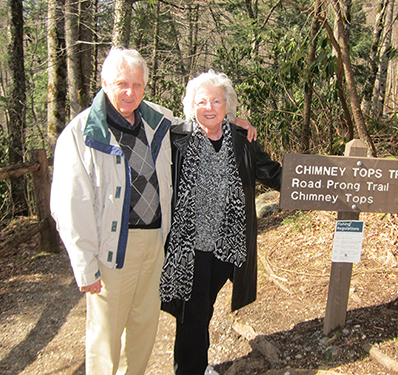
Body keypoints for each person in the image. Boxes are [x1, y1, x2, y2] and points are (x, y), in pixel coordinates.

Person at [50, 48, 256, 375]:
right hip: (112, 248)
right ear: (104, 83)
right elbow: (69, 204)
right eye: (121, 84)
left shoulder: (157, 120)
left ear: (145, 85)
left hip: (155, 243)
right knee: (106, 336)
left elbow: (202, 121)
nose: (130, 92)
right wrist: (84, 263)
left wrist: (232, 121)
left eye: (137, 84)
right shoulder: (82, 134)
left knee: (143, 329)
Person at [159, 70, 282, 375]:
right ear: (191, 105)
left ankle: (195, 365)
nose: (209, 107)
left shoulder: (242, 140)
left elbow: (270, 172)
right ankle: (190, 370)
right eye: (202, 101)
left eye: (217, 100)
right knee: (193, 312)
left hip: (228, 244)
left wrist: (309, 185)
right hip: (190, 245)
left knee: (203, 307)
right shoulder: (176, 139)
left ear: (228, 105)